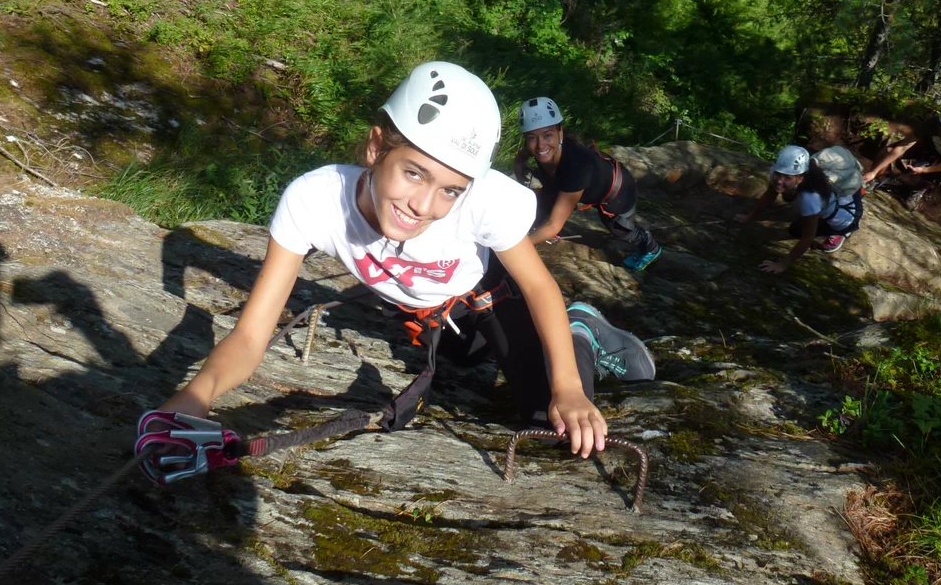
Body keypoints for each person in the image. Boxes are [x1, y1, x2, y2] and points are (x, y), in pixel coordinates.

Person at [139, 63, 656, 483]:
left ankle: (580, 331)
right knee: (470, 359)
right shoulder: (315, 202)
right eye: (413, 173)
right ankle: (517, 341)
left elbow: (538, 283)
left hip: (489, 292)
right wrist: (191, 401)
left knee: (550, 419)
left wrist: (569, 388)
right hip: (432, 314)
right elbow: (252, 335)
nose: (425, 205)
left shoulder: (482, 200)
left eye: (450, 189)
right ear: (375, 147)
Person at [513, 97, 662, 271]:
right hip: (586, 181)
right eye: (532, 137)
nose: (540, 146)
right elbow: (522, 157)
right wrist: (520, 170)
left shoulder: (577, 167)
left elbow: (554, 225)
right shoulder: (543, 148)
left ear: (560, 132)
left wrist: (517, 248)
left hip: (618, 192)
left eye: (547, 135)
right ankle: (537, 227)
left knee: (620, 229)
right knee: (544, 199)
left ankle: (651, 247)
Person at [734, 145, 864, 274]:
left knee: (796, 231)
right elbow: (770, 194)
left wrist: (782, 265)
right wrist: (749, 216)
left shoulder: (809, 198)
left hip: (848, 217)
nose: (779, 181)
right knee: (803, 214)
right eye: (778, 175)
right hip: (841, 200)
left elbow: (808, 237)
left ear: (800, 178)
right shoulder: (781, 171)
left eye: (787, 178)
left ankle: (842, 232)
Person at [861, 100, 941, 209]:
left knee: (933, 177)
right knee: (886, 152)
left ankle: (917, 192)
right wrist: (874, 172)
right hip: (926, 147)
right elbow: (903, 146)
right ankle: (873, 180)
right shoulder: (933, 122)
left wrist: (925, 170)